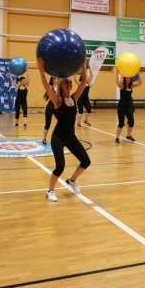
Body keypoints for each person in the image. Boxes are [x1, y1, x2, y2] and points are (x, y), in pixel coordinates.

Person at [38, 59, 91, 202]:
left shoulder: (74, 98)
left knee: (86, 161)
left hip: (70, 136)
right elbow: (46, 86)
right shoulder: (57, 100)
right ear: (61, 86)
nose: (69, 85)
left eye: (70, 83)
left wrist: (83, 65)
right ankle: (50, 191)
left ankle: (72, 180)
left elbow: (85, 81)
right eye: (66, 83)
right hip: (58, 137)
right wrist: (41, 68)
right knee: (60, 166)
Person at [114, 68, 142, 144]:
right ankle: (117, 138)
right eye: (127, 78)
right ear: (125, 78)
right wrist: (118, 74)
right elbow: (117, 82)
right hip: (121, 106)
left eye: (130, 78)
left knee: (132, 122)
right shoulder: (122, 86)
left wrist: (138, 73)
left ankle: (128, 136)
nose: (129, 79)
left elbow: (140, 83)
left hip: (129, 106)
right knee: (121, 123)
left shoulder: (131, 86)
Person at [42, 77, 59, 145]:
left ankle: (60, 137)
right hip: (50, 107)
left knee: (62, 122)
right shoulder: (50, 86)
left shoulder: (60, 87)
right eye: (54, 78)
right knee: (47, 124)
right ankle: (44, 138)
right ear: (52, 80)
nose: (56, 80)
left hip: (57, 107)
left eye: (57, 78)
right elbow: (45, 84)